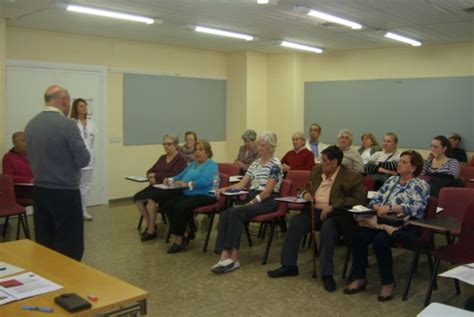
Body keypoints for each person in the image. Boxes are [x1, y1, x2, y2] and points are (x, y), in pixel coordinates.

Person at [267, 146, 366, 292]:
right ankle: (289, 265)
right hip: (313, 211)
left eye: (324, 160)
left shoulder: (351, 176)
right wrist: (305, 194)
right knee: (295, 223)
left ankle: (327, 274)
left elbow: (359, 199)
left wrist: (333, 206)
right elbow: (305, 188)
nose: (321, 163)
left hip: (336, 215)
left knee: (328, 229)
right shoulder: (317, 171)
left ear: (334, 162)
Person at [344, 150, 429, 302]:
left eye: (404, 162)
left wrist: (391, 208)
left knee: (380, 241)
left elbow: (418, 208)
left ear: (414, 168)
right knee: (359, 237)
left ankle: (388, 283)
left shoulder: (420, 184)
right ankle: (359, 278)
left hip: (404, 224)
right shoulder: (391, 181)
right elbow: (376, 198)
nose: (399, 164)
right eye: (399, 161)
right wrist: (376, 206)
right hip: (381, 221)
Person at [25, 85, 90, 261]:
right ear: (64, 101)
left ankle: (49, 277)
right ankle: (68, 281)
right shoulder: (67, 125)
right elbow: (84, 159)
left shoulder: (31, 124)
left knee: (45, 240)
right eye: (69, 101)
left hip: (39, 191)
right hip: (65, 191)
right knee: (69, 243)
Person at [211, 132, 283, 273]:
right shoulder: (255, 163)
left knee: (236, 212)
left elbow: (267, 191)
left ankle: (234, 257)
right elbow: (242, 184)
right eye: (259, 144)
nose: (259, 148)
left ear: (270, 147)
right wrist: (224, 189)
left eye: (263, 145)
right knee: (226, 213)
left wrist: (249, 204)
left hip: (267, 200)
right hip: (254, 196)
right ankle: (224, 255)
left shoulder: (276, 165)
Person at [163, 140, 218, 253]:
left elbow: (206, 181)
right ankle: (187, 231)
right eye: (196, 150)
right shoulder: (193, 164)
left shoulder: (211, 164)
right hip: (189, 194)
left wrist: (188, 184)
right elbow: (181, 175)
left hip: (205, 194)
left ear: (207, 152)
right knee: (168, 205)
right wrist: (171, 179)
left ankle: (179, 239)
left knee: (180, 207)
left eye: (201, 150)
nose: (197, 152)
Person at [133, 134, 187, 241]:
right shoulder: (162, 157)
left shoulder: (180, 159)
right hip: (157, 186)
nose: (166, 146)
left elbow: (174, 175)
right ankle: (150, 224)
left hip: (171, 188)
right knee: (137, 198)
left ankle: (151, 231)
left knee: (151, 199)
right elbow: (150, 170)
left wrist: (156, 176)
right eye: (164, 144)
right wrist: (150, 176)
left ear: (176, 145)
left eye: (169, 144)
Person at [70, 98, 96, 221]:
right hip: (75, 159)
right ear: (75, 108)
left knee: (85, 186)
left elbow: (92, 140)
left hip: (89, 158)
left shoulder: (91, 122)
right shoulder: (71, 123)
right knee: (75, 186)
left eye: (85, 106)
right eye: (81, 106)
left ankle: (83, 210)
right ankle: (74, 210)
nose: (84, 108)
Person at [2, 131, 34, 204]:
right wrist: (30, 180)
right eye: (24, 141)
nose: (27, 143)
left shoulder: (32, 156)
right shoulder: (8, 157)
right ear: (15, 143)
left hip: (35, 188)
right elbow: (8, 177)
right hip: (20, 191)